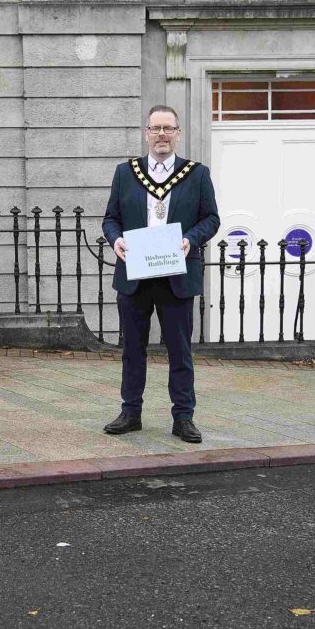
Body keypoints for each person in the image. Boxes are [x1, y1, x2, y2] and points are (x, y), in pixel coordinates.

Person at [101, 105, 220, 443]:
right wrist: (116, 239)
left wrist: (189, 239)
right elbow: (111, 218)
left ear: (178, 133)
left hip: (176, 274)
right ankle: (131, 412)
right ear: (147, 133)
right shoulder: (126, 172)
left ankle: (183, 417)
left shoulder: (197, 174)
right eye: (157, 128)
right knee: (132, 348)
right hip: (135, 273)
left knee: (179, 350)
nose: (163, 134)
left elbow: (211, 218)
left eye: (169, 128)